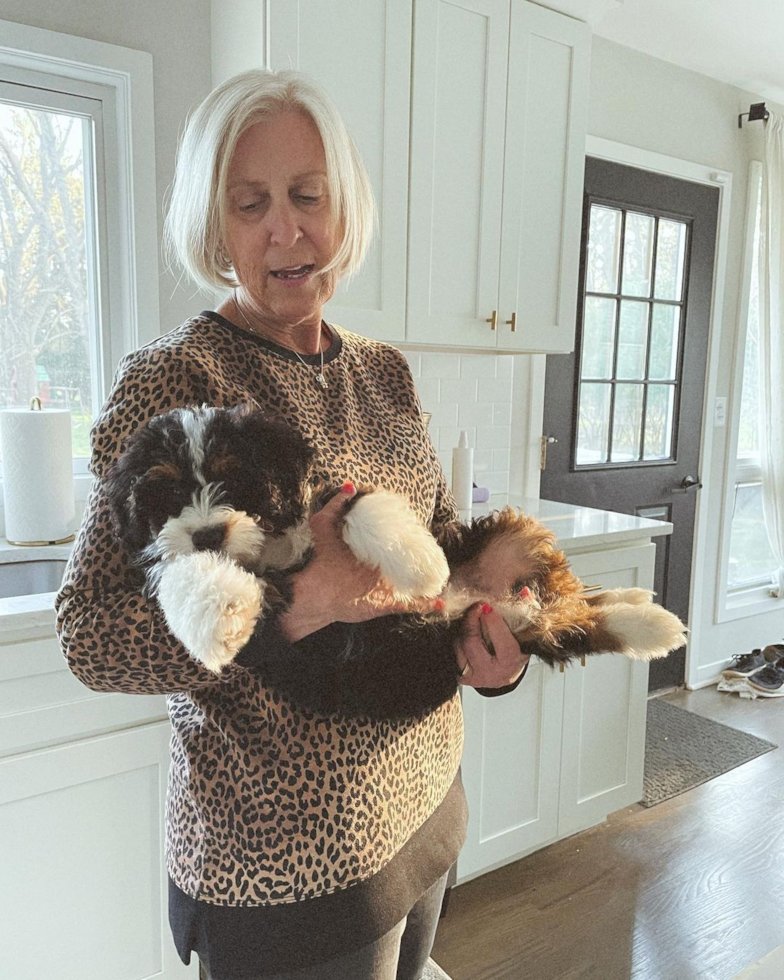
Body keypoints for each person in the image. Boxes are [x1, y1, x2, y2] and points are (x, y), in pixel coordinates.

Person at [54, 68, 529, 980]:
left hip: (428, 807)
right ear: (214, 225)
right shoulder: (175, 380)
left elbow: (436, 557)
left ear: (343, 207)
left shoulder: (385, 372)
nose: (286, 228)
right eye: (251, 203)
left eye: (308, 196)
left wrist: (485, 642)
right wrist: (293, 602)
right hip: (281, 879)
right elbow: (90, 635)